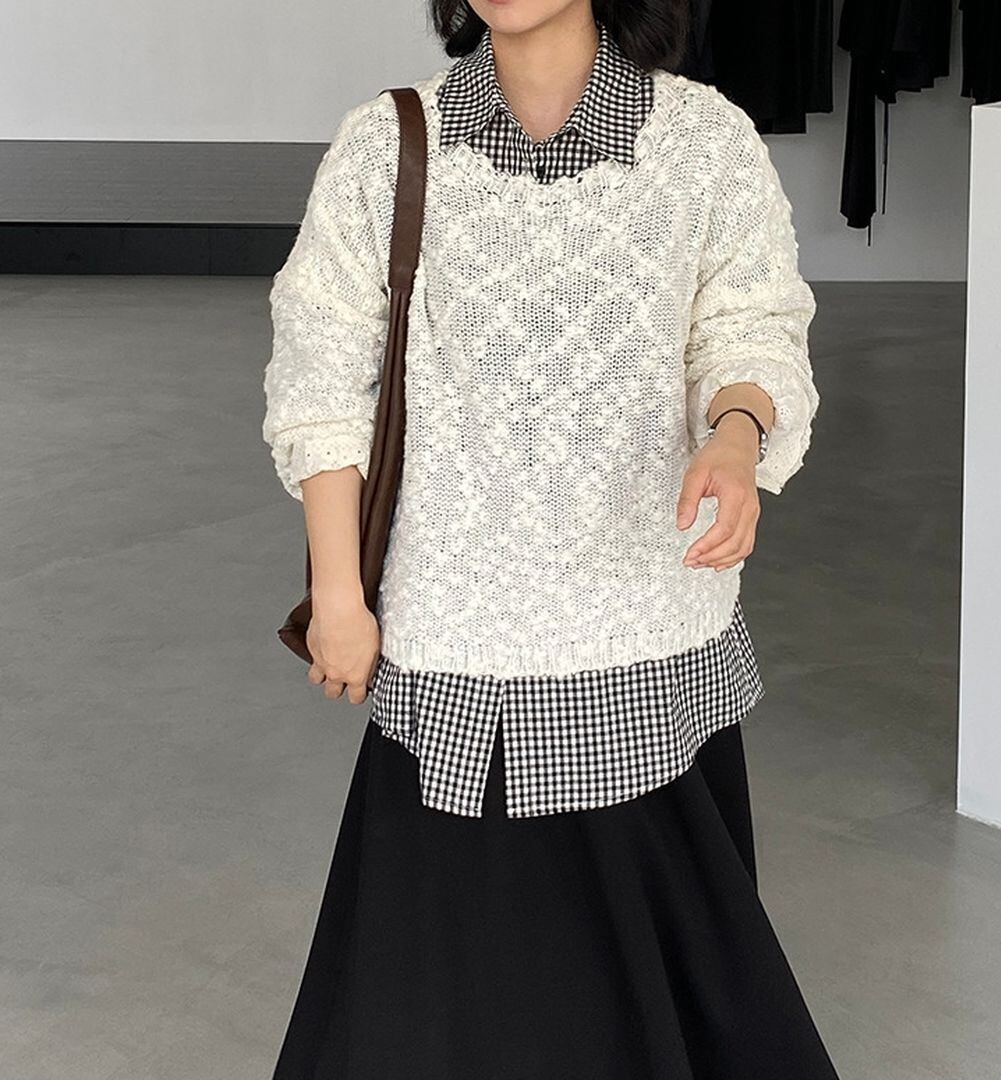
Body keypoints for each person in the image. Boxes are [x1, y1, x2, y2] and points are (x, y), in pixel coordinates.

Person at [261, 1, 840, 1077]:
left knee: (665, 1025)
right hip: (457, 660)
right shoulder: (386, 145)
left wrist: (735, 433)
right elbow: (321, 384)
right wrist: (338, 594)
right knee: (437, 1024)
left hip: (648, 649)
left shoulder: (703, 141)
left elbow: (753, 327)